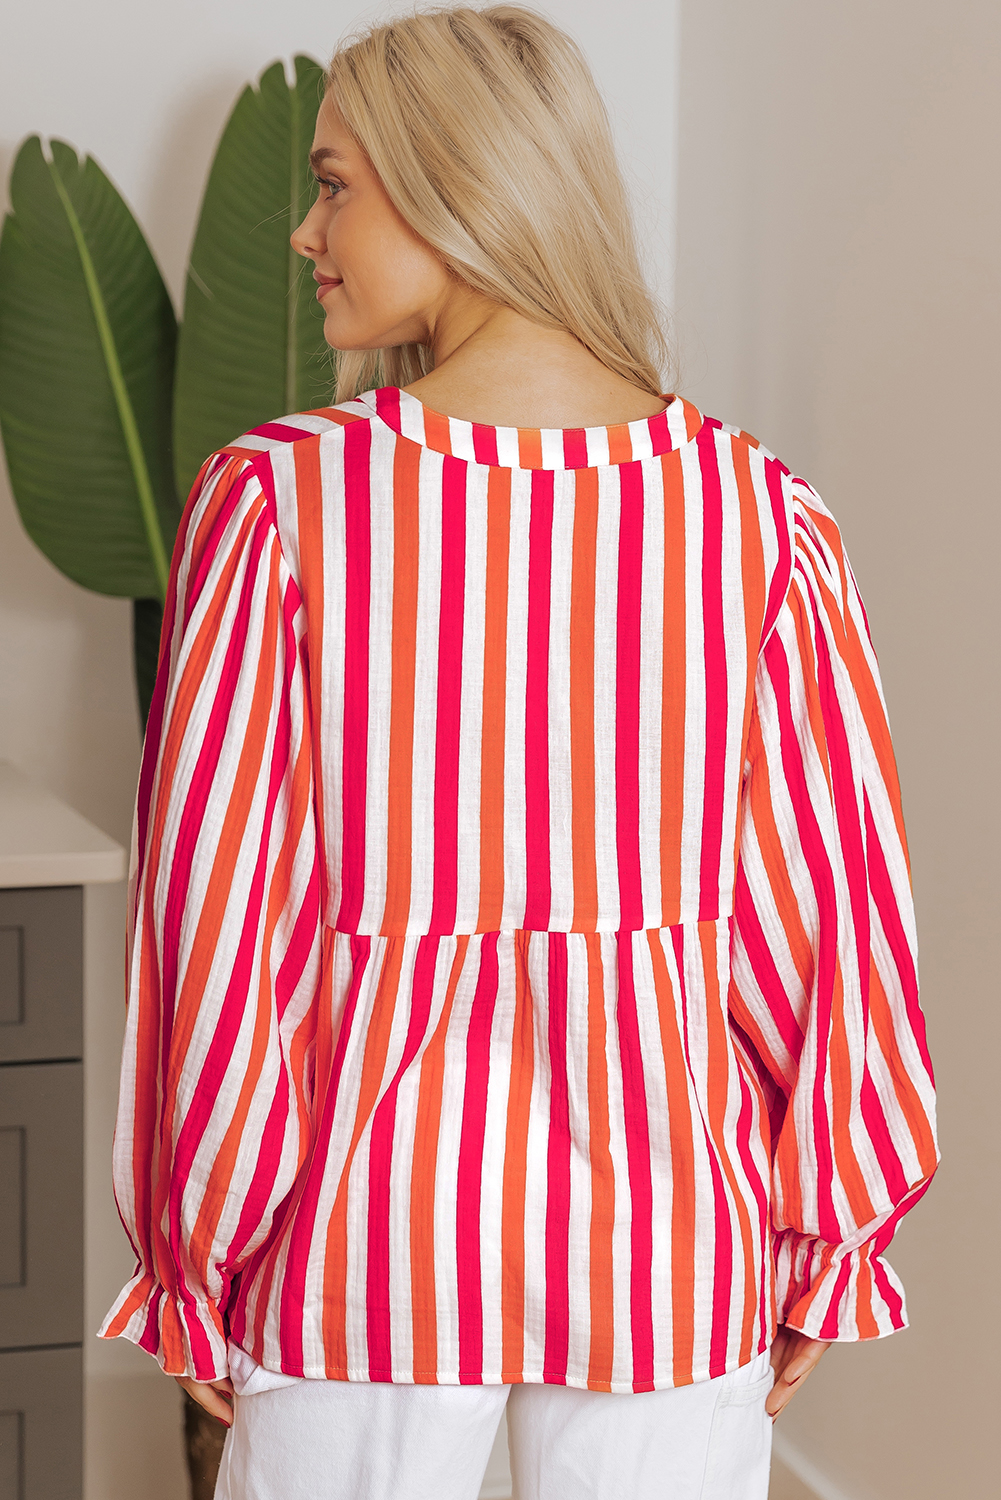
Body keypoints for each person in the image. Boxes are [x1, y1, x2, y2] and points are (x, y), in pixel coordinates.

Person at [99, 6, 939, 1498]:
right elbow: (825, 918)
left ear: (454, 182)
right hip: (675, 1243)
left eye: (333, 184)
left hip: (360, 1234)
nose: (304, 232)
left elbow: (224, 923)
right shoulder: (759, 519)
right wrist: (829, 1227)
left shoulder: (282, 505)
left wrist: (196, 1245)